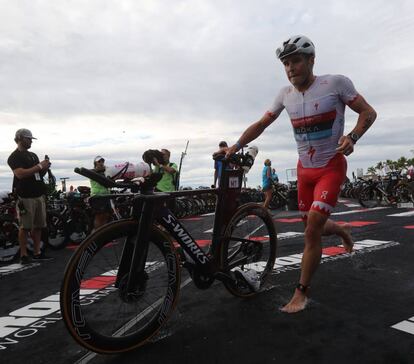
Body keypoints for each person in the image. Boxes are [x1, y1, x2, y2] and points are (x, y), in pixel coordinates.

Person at [225, 35, 377, 313]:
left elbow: (368, 112)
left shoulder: (335, 83)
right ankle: (341, 230)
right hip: (304, 171)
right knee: (311, 226)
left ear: (311, 60)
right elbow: (261, 124)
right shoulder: (286, 94)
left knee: (312, 230)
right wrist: (236, 146)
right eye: (285, 63)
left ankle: (301, 292)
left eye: (296, 60)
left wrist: (353, 137)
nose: (290, 67)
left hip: (330, 167)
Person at [7, 128, 54, 264]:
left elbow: (37, 175)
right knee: (25, 226)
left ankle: (37, 252)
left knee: (38, 225)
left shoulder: (33, 155)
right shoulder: (14, 157)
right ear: (20, 138)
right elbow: (20, 174)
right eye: (28, 139)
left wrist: (44, 168)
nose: (31, 141)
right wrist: (40, 166)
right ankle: (23, 255)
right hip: (25, 196)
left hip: (38, 194)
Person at [89, 156, 111, 229]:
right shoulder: (92, 172)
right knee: (99, 217)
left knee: (106, 215)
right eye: (99, 162)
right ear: (95, 163)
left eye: (102, 161)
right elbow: (98, 173)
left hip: (106, 195)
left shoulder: (105, 172)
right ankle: (98, 236)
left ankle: (104, 235)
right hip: (97, 196)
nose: (101, 163)